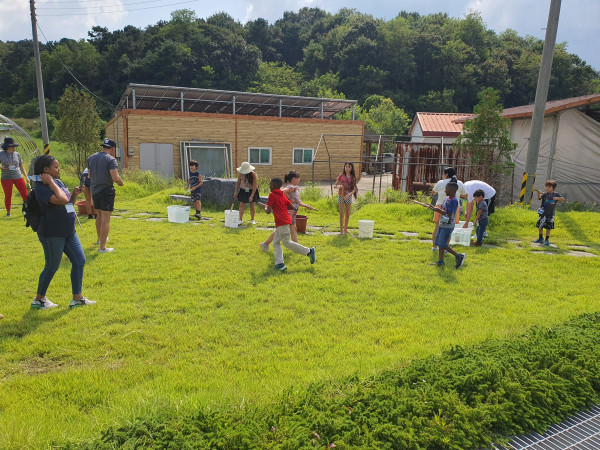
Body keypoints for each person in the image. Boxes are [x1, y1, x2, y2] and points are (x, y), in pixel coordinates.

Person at [30, 154, 95, 309]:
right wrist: (51, 182)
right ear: (46, 170)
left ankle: (77, 298)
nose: (59, 169)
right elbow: (61, 199)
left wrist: (74, 195)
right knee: (52, 266)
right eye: (56, 167)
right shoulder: (41, 189)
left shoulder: (57, 182)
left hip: (68, 231)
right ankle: (39, 300)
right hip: (52, 233)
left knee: (79, 260)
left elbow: (68, 204)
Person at [258, 177, 316, 271]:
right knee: (276, 243)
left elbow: (268, 211)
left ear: (273, 186)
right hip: (284, 221)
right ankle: (279, 264)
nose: (269, 186)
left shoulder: (272, 195)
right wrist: (280, 206)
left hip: (282, 222)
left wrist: (266, 207)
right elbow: (292, 207)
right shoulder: (282, 195)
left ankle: (309, 251)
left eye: (270, 185)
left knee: (287, 242)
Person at [260, 170, 314, 251]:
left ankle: (266, 244)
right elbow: (281, 192)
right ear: (294, 179)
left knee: (290, 228)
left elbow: (298, 202)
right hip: (288, 212)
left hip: (293, 211)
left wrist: (306, 205)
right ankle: (298, 247)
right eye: (298, 178)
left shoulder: (294, 188)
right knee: (285, 229)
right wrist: (289, 198)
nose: (299, 180)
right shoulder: (291, 188)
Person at [421, 177, 466, 268]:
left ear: (452, 190)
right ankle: (441, 261)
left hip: (448, 226)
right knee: (439, 243)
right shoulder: (447, 199)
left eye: (446, 189)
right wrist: (431, 206)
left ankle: (459, 256)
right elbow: (442, 208)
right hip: (442, 224)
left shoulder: (454, 201)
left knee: (442, 244)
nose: (445, 190)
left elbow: (448, 213)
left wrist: (437, 210)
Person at [88, 138, 123, 253]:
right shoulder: (111, 160)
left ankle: (99, 239)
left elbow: (89, 176)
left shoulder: (91, 157)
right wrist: (120, 182)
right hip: (106, 191)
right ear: (112, 149)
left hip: (94, 190)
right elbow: (115, 177)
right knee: (106, 219)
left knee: (99, 215)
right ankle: (102, 248)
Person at [431, 167, 467, 251]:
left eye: (443, 174)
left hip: (440, 206)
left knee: (437, 228)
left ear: (446, 174)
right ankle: (445, 248)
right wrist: (458, 194)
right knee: (448, 229)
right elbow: (466, 195)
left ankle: (434, 247)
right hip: (454, 208)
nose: (442, 176)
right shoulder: (459, 183)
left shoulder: (440, 182)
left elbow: (433, 192)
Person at [1, 137, 30, 217]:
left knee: (25, 194)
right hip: (6, 178)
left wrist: (26, 177)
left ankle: (27, 210)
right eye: (12, 145)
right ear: (7, 146)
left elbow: (21, 166)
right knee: (8, 195)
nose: (13, 147)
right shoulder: (1, 154)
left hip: (18, 176)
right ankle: (8, 212)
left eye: (14, 145)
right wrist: (2, 167)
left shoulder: (17, 154)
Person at [534, 180, 565, 246]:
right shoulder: (544, 194)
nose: (547, 188)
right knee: (540, 226)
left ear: (553, 188)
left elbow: (562, 199)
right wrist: (538, 193)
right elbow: (539, 198)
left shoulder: (556, 194)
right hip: (543, 213)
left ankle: (547, 240)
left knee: (548, 227)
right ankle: (540, 238)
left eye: (549, 187)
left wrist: (556, 198)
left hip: (550, 214)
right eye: (546, 186)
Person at [332, 162, 357, 235]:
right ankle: (341, 231)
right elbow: (335, 185)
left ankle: (345, 229)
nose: (347, 168)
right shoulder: (341, 176)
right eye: (346, 166)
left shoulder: (353, 178)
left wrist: (348, 195)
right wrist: (339, 186)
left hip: (348, 197)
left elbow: (354, 189)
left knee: (347, 214)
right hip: (341, 196)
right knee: (341, 214)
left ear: (351, 168)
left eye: (349, 167)